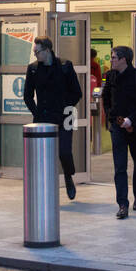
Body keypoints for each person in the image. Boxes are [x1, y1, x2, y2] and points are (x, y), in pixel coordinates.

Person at [23, 36, 82, 199]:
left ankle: (68, 177)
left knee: (64, 152)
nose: (35, 55)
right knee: (43, 157)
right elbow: (27, 96)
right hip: (42, 119)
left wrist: (65, 106)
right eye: (34, 52)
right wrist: (36, 113)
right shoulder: (33, 69)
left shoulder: (65, 66)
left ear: (47, 50)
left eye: (37, 51)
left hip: (65, 117)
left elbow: (77, 92)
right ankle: (46, 190)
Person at [103, 45, 136, 219]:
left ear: (124, 59)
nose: (111, 60)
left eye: (114, 57)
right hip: (117, 127)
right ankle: (122, 204)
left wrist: (131, 120)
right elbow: (106, 100)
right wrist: (113, 118)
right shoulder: (110, 77)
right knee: (120, 166)